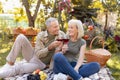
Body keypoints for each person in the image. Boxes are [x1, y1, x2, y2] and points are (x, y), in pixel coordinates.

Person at [0, 17, 66, 78]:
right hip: (34, 55)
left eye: (58, 26)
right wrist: (49, 47)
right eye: (55, 27)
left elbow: (66, 50)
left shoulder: (62, 35)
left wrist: (62, 49)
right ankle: (10, 62)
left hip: (40, 63)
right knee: (21, 37)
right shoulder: (41, 35)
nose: (58, 28)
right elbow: (38, 54)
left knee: (18, 67)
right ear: (48, 28)